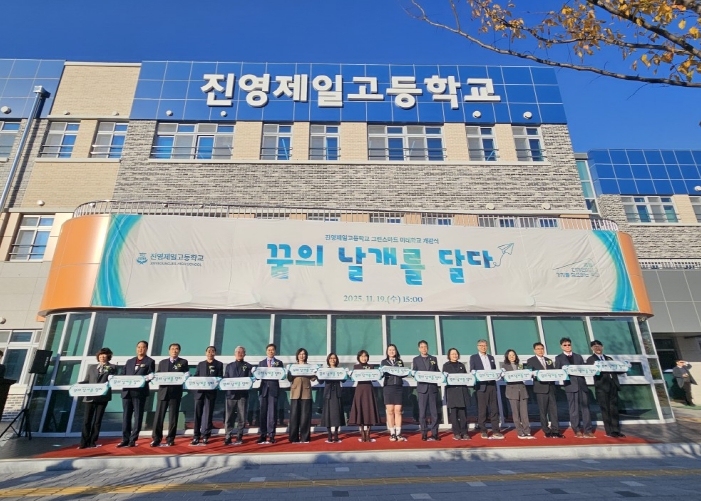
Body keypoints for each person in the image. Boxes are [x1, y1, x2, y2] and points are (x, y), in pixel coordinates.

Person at [117, 340, 155, 448]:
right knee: (126, 416)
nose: (140, 349)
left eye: (143, 347)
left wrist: (147, 378)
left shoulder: (149, 361)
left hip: (139, 393)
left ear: (146, 348)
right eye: (138, 347)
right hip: (127, 392)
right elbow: (123, 374)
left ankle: (133, 439)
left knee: (138, 416)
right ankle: (125, 439)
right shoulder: (130, 361)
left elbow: (151, 375)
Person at [554, 337, 594, 439]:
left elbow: (584, 369)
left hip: (582, 385)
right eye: (565, 345)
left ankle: (588, 430)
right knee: (574, 409)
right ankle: (576, 430)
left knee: (586, 409)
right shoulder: (559, 358)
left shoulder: (578, 357)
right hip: (570, 386)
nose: (567, 346)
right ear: (561, 346)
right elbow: (558, 372)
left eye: (569, 344)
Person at [151, 343, 189, 447]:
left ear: (179, 351)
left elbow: (185, 374)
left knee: (173, 417)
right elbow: (158, 375)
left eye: (176, 349)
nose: (174, 351)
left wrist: (187, 374)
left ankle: (171, 438)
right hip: (163, 393)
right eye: (172, 349)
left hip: (175, 393)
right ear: (169, 351)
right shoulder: (162, 362)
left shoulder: (183, 362)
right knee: (159, 417)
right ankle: (156, 438)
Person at [79, 347, 116, 449]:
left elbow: (113, 379)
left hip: (102, 397)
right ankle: (83, 442)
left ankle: (92, 441)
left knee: (97, 421)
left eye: (104, 355)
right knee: (87, 420)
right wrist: (78, 385)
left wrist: (106, 370)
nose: (102, 356)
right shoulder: (92, 367)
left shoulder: (112, 367)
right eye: (100, 355)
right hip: (90, 397)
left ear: (108, 356)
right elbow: (87, 380)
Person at [586, 340, 624, 438]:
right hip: (602, 387)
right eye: (595, 347)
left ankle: (616, 430)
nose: (597, 348)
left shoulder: (609, 358)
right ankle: (609, 431)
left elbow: (616, 369)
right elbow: (590, 371)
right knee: (605, 409)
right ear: (592, 348)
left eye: (599, 346)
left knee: (614, 409)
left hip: (613, 386)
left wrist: (624, 368)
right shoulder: (591, 359)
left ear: (602, 347)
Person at [526, 342, 564, 438]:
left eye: (542, 348)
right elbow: (529, 373)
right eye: (538, 349)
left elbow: (553, 372)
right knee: (543, 411)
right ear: (534, 350)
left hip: (551, 388)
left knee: (554, 410)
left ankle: (556, 430)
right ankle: (546, 430)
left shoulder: (548, 360)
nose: (540, 350)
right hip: (540, 388)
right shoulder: (531, 360)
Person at [469, 339, 503, 439]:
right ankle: (483, 430)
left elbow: (494, 371)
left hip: (491, 385)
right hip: (481, 387)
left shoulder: (491, 358)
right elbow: (472, 370)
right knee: (482, 410)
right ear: (478, 347)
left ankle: (496, 430)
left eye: (485, 345)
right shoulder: (474, 357)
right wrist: (474, 373)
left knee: (494, 409)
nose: (483, 347)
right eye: (481, 345)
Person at [191, 346, 224, 445]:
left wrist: (217, 380)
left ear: (215, 353)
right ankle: (196, 436)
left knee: (208, 414)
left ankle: (206, 435)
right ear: (206, 353)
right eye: (208, 351)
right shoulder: (201, 364)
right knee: (197, 415)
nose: (210, 353)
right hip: (199, 393)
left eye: (212, 351)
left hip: (210, 393)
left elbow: (220, 377)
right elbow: (196, 376)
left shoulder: (219, 364)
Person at [348, 349, 381, 442]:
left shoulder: (371, 366)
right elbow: (353, 378)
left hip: (369, 389)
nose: (364, 358)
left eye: (365, 356)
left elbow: (375, 378)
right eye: (362, 356)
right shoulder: (356, 367)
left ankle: (368, 433)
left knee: (369, 410)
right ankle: (362, 432)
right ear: (359, 358)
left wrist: (378, 373)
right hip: (360, 390)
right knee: (360, 410)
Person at [412, 340, 441, 441]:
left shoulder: (433, 358)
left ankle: (435, 433)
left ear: (427, 348)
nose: (424, 349)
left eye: (425, 347)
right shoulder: (416, 359)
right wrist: (413, 373)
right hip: (422, 389)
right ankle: (424, 433)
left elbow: (437, 371)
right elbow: (414, 372)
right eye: (422, 347)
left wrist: (441, 375)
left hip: (432, 388)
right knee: (422, 413)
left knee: (434, 412)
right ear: (419, 349)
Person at [223, 345, 252, 445]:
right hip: (230, 395)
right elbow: (226, 378)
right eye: (238, 352)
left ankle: (239, 436)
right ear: (234, 354)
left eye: (241, 352)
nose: (239, 354)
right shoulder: (229, 366)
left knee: (242, 417)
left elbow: (250, 379)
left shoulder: (248, 366)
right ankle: (228, 436)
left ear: (244, 354)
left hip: (242, 395)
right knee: (229, 417)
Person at [503, 349, 534, 439]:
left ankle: (527, 431)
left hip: (522, 390)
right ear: (507, 357)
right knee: (516, 413)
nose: (512, 357)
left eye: (513, 355)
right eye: (510, 355)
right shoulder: (504, 367)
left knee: (524, 413)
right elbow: (504, 378)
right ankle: (520, 431)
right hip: (512, 391)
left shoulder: (520, 365)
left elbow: (526, 375)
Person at [288, 347, 316, 443]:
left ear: (306, 356)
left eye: (303, 354)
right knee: (294, 416)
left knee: (305, 416)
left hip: (306, 392)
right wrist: (288, 371)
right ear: (297, 356)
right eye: (300, 354)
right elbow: (290, 379)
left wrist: (315, 372)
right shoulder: (293, 366)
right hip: (295, 392)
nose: (302, 356)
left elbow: (313, 379)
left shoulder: (309, 367)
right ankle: (293, 437)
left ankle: (305, 437)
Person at [380, 344, 407, 442]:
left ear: (396, 351)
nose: (391, 351)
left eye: (393, 350)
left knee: (398, 410)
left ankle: (399, 433)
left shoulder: (400, 362)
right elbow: (381, 374)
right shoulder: (384, 362)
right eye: (390, 350)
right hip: (388, 387)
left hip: (398, 388)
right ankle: (392, 433)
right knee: (390, 410)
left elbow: (403, 373)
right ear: (387, 352)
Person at [442, 348, 471, 441]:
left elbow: (466, 377)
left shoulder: (461, 365)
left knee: (463, 415)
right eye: (452, 354)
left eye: (456, 354)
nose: (454, 355)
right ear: (449, 356)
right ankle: (456, 433)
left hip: (462, 392)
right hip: (452, 392)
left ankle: (465, 432)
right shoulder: (446, 366)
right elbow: (444, 379)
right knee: (454, 415)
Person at [258, 343, 282, 444]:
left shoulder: (279, 363)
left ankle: (271, 435)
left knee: (272, 414)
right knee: (262, 413)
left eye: (272, 350)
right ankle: (262, 434)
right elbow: (258, 376)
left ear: (275, 351)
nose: (270, 351)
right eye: (269, 350)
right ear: (266, 351)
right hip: (263, 390)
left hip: (273, 390)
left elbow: (281, 375)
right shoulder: (261, 363)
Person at [320, 352, 345, 443]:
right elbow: (320, 381)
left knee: (337, 413)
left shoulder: (340, 370)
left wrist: (345, 373)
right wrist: (317, 373)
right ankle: (329, 434)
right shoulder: (325, 370)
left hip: (337, 393)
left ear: (337, 360)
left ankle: (336, 434)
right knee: (328, 414)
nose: (332, 360)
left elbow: (344, 380)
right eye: (330, 358)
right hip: (328, 393)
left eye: (334, 358)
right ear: (328, 360)